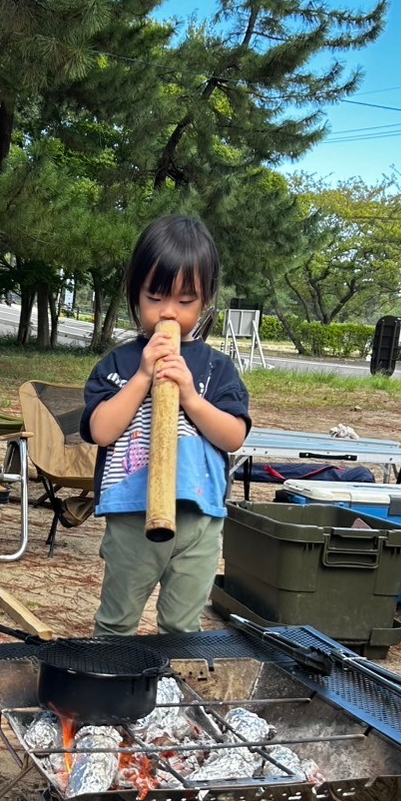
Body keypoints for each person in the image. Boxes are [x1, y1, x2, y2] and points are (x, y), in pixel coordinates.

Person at [80, 215, 251, 637]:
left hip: (200, 518)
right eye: (155, 297)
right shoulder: (117, 365)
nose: (168, 312)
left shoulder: (216, 368)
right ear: (135, 293)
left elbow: (233, 436)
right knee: (117, 621)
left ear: (206, 301)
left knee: (181, 625)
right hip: (131, 514)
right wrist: (141, 378)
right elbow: (100, 431)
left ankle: (174, 699)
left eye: (185, 301)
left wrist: (191, 397)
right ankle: (108, 697)